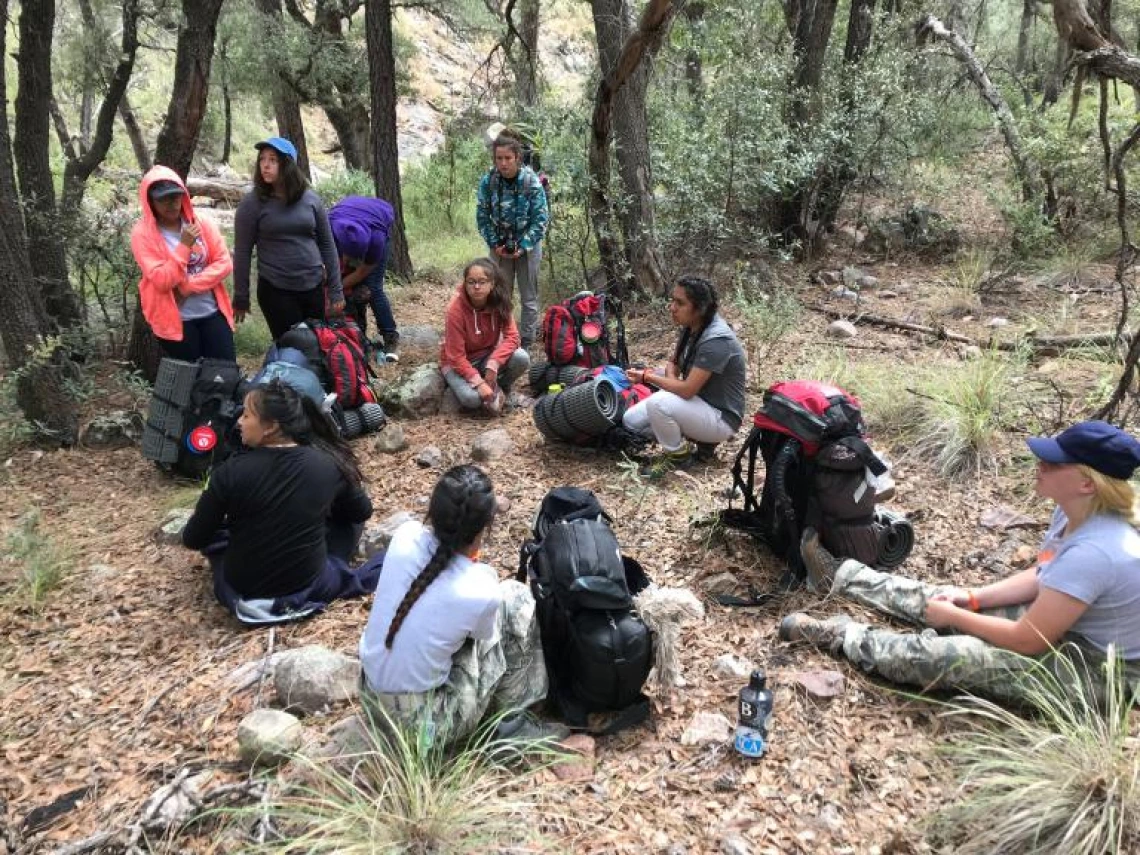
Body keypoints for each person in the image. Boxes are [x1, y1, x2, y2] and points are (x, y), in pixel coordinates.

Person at [781, 420, 1140, 703]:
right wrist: (972, 598)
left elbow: (1027, 641)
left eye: (1056, 462)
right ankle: (842, 576)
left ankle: (844, 636)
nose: (1041, 465)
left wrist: (955, 617)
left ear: (1087, 484)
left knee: (954, 657)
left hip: (1105, 667)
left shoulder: (1098, 551)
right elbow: (1043, 575)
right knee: (945, 596)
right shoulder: (1076, 514)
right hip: (1070, 625)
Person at [359, 465, 551, 746]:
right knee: (514, 597)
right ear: (486, 526)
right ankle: (513, 722)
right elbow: (482, 639)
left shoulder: (405, 535)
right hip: (423, 728)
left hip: (371, 700)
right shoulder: (478, 589)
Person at [182, 379, 378, 625]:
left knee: (221, 537)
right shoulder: (325, 464)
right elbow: (362, 512)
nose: (239, 422)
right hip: (311, 585)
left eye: (246, 415)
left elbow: (194, 538)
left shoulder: (229, 472)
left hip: (243, 592)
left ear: (271, 426)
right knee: (346, 520)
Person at [622, 276, 747, 474]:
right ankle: (693, 440)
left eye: (680, 303)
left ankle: (679, 457)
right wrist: (671, 381)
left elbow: (687, 390)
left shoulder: (716, 340)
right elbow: (673, 363)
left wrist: (647, 377)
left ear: (700, 308)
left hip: (721, 418)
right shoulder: (692, 327)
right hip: (699, 404)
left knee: (659, 403)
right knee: (631, 421)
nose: (672, 307)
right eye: (673, 300)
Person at [232, 137, 345, 340]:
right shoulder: (252, 204)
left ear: (288, 165)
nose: (265, 165)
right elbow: (242, 252)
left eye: (273, 160)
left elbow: (327, 245)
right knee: (292, 346)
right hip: (276, 289)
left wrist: (336, 290)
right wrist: (241, 296)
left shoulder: (311, 199)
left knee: (318, 344)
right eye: (262, 159)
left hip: (313, 285)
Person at [130, 165, 236, 362]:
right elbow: (162, 280)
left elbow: (224, 263)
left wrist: (188, 286)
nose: (171, 203)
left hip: (212, 312)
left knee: (225, 374)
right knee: (192, 379)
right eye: (163, 199)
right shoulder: (142, 234)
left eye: (176, 197)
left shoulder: (201, 223)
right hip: (177, 321)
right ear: (151, 201)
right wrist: (184, 246)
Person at [475, 134, 549, 349]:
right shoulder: (489, 181)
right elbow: (482, 215)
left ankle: (525, 342)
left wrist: (524, 245)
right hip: (499, 247)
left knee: (529, 297)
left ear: (517, 157)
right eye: (499, 158)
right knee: (499, 294)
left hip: (528, 247)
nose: (503, 163)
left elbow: (541, 219)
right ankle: (502, 339)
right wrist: (494, 242)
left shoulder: (531, 181)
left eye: (508, 158)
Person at [439, 258, 530, 415]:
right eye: (471, 282)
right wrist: (479, 382)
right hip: (457, 364)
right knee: (471, 399)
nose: (476, 287)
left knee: (521, 358)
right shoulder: (455, 310)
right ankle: (488, 389)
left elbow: (513, 337)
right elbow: (455, 356)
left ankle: (498, 387)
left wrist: (493, 363)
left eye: (482, 281)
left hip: (485, 357)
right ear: (465, 284)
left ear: (492, 284)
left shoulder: (500, 301)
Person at [328, 195, 399, 359]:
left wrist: (335, 288)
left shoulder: (376, 240)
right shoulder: (329, 228)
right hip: (346, 215)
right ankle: (357, 336)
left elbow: (362, 272)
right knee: (347, 284)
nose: (348, 261)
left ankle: (390, 336)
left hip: (377, 219)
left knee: (373, 288)